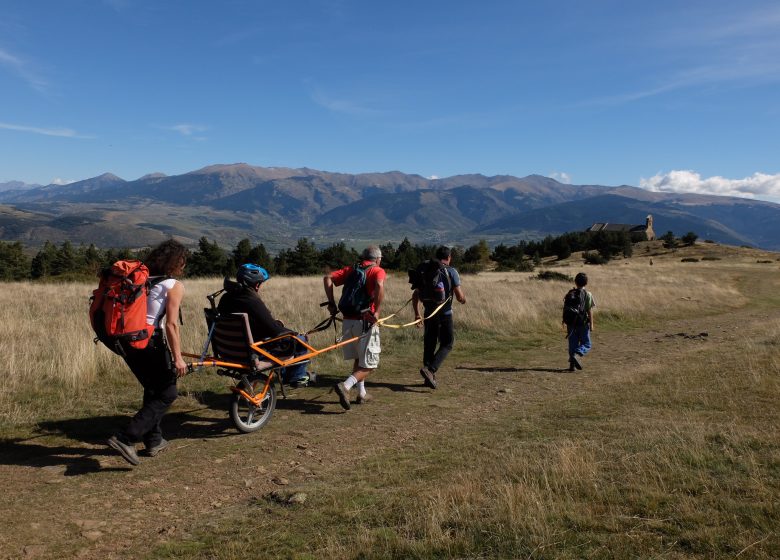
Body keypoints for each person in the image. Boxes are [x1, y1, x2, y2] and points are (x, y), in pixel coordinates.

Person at [108, 239, 188, 466]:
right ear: (176, 262)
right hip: (149, 343)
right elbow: (171, 325)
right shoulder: (174, 285)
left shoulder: (140, 279)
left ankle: (153, 440)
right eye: (182, 261)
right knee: (168, 393)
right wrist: (178, 358)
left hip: (126, 342)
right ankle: (127, 437)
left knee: (153, 389)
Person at [217, 263, 310, 386]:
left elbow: (252, 324)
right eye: (261, 283)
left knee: (288, 340)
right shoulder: (251, 300)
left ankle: (288, 375)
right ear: (256, 284)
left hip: (228, 351)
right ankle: (296, 377)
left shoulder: (226, 298)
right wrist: (294, 333)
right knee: (300, 340)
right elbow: (274, 330)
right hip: (252, 353)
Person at [323, 245, 386, 410]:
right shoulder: (377, 271)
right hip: (365, 321)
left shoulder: (352, 269)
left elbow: (327, 277)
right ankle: (346, 386)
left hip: (347, 321)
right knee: (371, 364)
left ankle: (362, 393)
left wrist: (331, 303)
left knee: (359, 358)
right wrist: (377, 312)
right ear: (378, 259)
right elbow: (379, 286)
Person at [412, 246, 466, 389]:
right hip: (445, 314)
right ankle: (431, 370)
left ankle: (428, 376)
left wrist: (417, 314)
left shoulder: (427, 270)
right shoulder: (451, 271)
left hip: (428, 313)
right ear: (449, 258)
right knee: (448, 343)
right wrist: (463, 300)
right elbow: (460, 296)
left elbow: (415, 294)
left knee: (429, 343)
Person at [563, 272, 596, 372]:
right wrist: (592, 324)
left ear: (575, 282)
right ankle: (577, 354)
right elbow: (589, 310)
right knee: (587, 343)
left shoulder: (570, 293)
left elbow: (565, 308)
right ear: (586, 283)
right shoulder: (588, 294)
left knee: (572, 343)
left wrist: (564, 321)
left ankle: (572, 366)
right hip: (583, 323)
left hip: (571, 323)